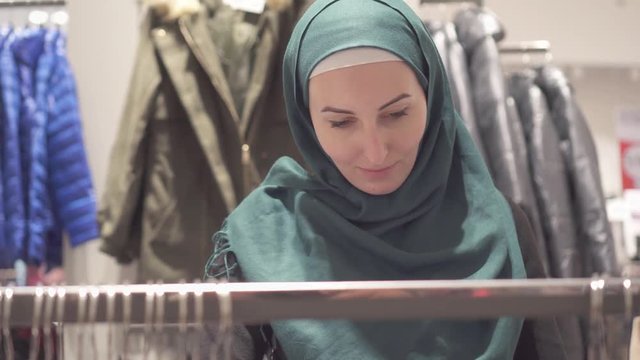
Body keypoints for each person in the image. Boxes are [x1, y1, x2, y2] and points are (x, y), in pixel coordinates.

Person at [204, 0, 527, 358]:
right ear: (306, 121)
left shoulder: (501, 227)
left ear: (433, 98)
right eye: (341, 123)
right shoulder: (259, 242)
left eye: (396, 114)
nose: (375, 152)